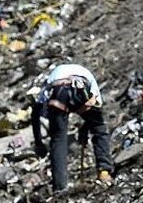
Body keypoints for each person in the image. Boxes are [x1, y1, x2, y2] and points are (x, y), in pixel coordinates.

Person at [31, 63, 114, 191]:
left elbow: (36, 110)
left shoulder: (50, 81)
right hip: (82, 88)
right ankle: (104, 172)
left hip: (58, 92)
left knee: (58, 139)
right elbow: (95, 112)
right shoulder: (90, 81)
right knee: (99, 130)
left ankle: (60, 187)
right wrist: (86, 127)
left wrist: (38, 142)